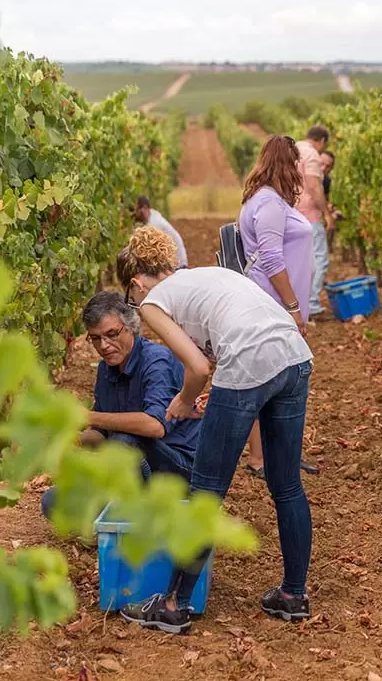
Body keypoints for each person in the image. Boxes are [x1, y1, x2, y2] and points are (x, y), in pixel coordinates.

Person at [116, 226, 314, 634]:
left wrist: (186, 400)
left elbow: (200, 369)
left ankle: (173, 604)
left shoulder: (153, 302)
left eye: (130, 299)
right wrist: (210, 396)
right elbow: (223, 351)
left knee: (205, 494)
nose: (136, 307)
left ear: (136, 283)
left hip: (251, 361)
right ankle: (293, 595)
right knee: (287, 485)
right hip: (294, 358)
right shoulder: (208, 275)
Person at [41, 291, 200, 520]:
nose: (104, 345)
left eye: (111, 334)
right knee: (53, 502)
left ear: (131, 327)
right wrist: (71, 440)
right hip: (134, 466)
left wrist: (90, 417)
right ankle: (120, 516)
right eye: (95, 338)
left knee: (123, 444)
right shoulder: (107, 368)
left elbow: (156, 426)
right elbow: (102, 433)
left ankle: (136, 519)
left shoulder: (157, 362)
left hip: (177, 467)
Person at [237, 134, 320, 479]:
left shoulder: (269, 200)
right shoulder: (269, 202)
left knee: (276, 381)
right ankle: (261, 460)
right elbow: (271, 258)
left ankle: (276, 456)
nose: (302, 170)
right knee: (270, 380)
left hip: (274, 304)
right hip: (271, 306)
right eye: (298, 162)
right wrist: (292, 307)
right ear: (286, 164)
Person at [295, 125, 332, 317]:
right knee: (319, 259)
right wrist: (326, 213)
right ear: (322, 141)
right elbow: (314, 186)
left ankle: (298, 304)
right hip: (309, 215)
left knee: (298, 260)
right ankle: (312, 304)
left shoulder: (292, 149)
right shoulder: (311, 155)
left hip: (292, 214)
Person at [135, 195, 188, 269]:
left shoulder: (154, 224)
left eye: (136, 209)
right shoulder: (153, 215)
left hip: (176, 264)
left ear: (144, 208)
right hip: (173, 262)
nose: (134, 213)